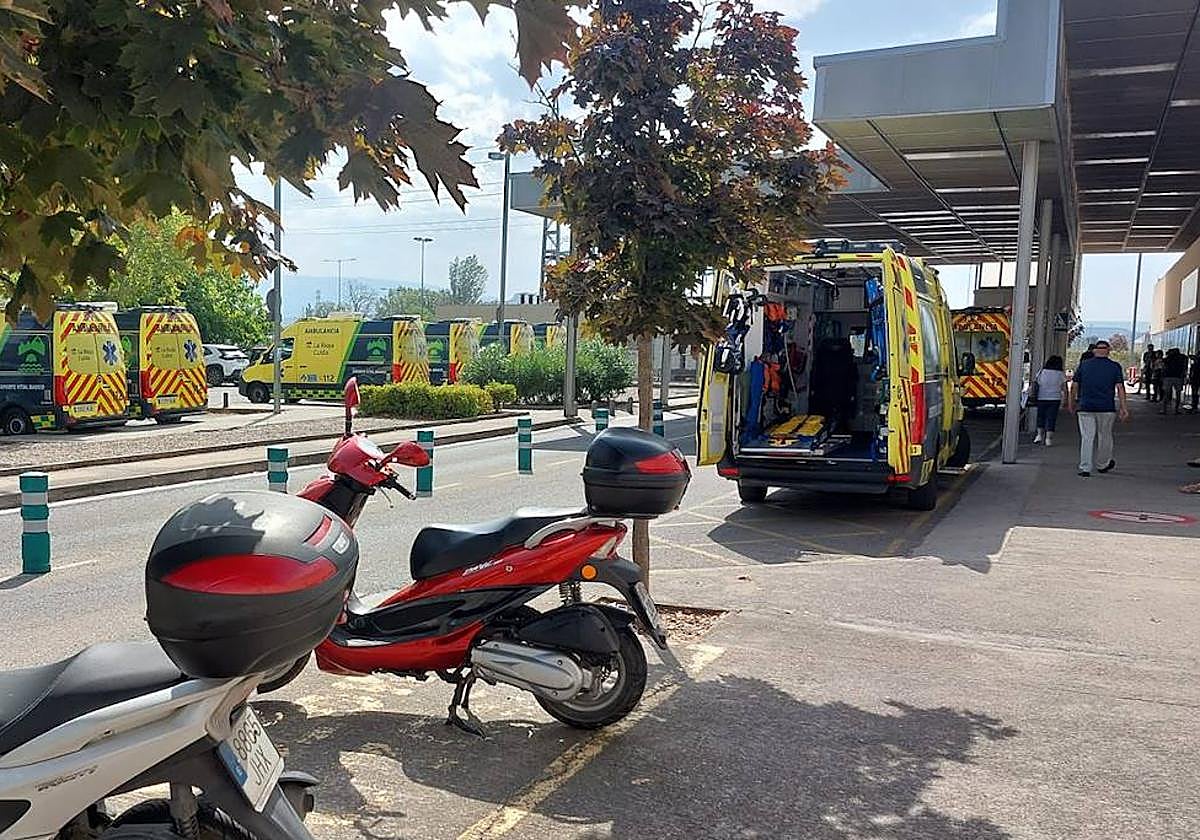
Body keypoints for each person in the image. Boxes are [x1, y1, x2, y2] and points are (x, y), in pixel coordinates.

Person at [1068, 339, 1129, 477]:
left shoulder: (1084, 365)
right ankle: (1103, 464)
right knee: (1105, 436)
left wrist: (1071, 403)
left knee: (1087, 437)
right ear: (1108, 351)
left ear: (1094, 351)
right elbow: (1120, 388)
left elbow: (1074, 386)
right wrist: (1123, 407)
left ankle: (1085, 467)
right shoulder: (1115, 367)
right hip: (1106, 408)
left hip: (1085, 407)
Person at [1032, 355, 1067, 446]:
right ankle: (1048, 439)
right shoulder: (1060, 374)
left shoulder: (1042, 372)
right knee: (1051, 418)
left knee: (1041, 417)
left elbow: (1036, 383)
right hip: (1055, 398)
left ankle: (1039, 435)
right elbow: (1064, 389)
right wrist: (1064, 402)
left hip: (1042, 397)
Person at [1161, 347, 1187, 414]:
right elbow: (1184, 367)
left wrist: (1162, 376)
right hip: (1178, 377)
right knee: (1178, 394)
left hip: (1168, 377)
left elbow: (1163, 367)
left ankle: (1164, 410)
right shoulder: (1182, 358)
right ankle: (1176, 410)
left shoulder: (1167, 359)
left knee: (1166, 394)